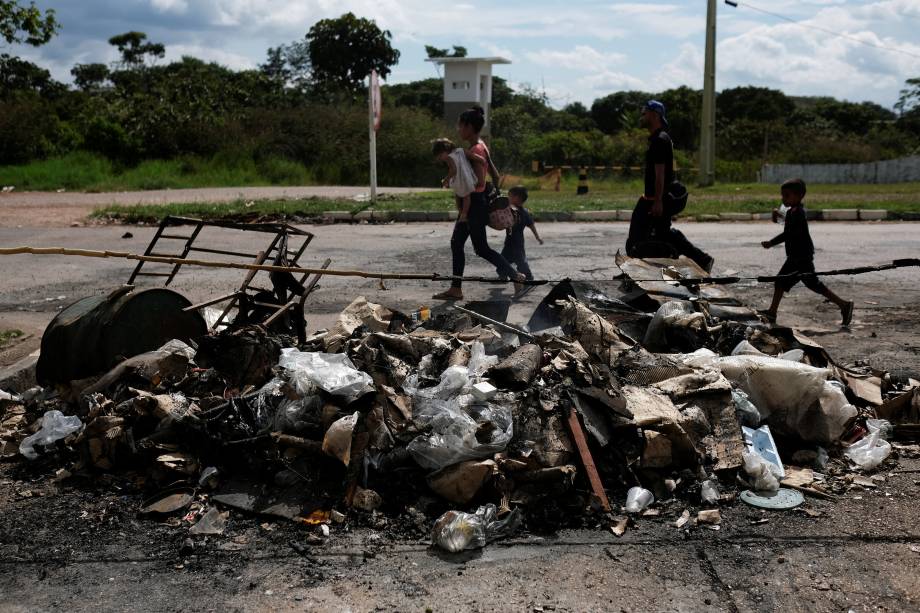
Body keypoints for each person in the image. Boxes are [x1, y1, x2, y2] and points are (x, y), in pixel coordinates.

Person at [433, 106, 524, 301]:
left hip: (473, 204)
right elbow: (496, 174)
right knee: (460, 244)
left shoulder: (474, 150)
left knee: (476, 247)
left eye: (460, 126)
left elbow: (480, 182)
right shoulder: (482, 145)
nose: (458, 129)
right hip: (475, 203)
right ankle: (456, 288)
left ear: (469, 126)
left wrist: (463, 195)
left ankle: (516, 276)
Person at [626, 100, 713, 272]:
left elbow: (661, 173)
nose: (642, 115)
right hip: (653, 198)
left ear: (655, 114)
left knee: (639, 236)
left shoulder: (660, 140)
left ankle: (701, 260)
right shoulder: (659, 138)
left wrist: (658, 201)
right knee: (661, 235)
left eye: (645, 112)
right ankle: (701, 260)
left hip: (655, 199)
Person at [760, 178, 854, 325]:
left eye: (787, 195)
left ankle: (772, 312)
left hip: (799, 257)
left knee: (781, 281)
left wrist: (771, 243)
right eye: (782, 195)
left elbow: (788, 233)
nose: (783, 198)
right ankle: (844, 305)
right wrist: (780, 216)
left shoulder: (797, 213)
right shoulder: (794, 211)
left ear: (799, 196)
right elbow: (789, 223)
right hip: (799, 255)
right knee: (812, 284)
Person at [496, 186, 543, 283]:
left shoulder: (524, 213)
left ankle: (529, 277)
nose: (508, 198)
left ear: (517, 198)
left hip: (517, 243)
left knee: (521, 262)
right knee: (502, 261)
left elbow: (531, 225)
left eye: (509, 196)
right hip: (509, 243)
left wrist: (538, 237)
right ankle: (503, 275)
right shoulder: (509, 210)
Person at [432, 137, 484, 223]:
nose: (440, 159)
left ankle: (462, 213)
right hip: (468, 178)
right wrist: (481, 160)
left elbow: (453, 170)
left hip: (459, 180)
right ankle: (464, 213)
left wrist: (446, 179)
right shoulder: (461, 151)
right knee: (467, 196)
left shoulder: (449, 158)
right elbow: (473, 156)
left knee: (458, 196)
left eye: (440, 156)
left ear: (445, 150)